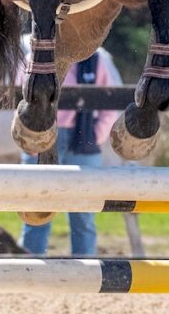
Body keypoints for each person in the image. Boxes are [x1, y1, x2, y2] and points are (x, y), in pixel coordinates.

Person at [21, 47, 122, 256]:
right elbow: (20, 99)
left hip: (83, 137)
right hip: (43, 136)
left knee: (83, 215)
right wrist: (29, 137)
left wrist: (96, 134)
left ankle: (85, 272)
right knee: (35, 211)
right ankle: (30, 269)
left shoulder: (96, 58)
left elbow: (110, 100)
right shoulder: (34, 56)